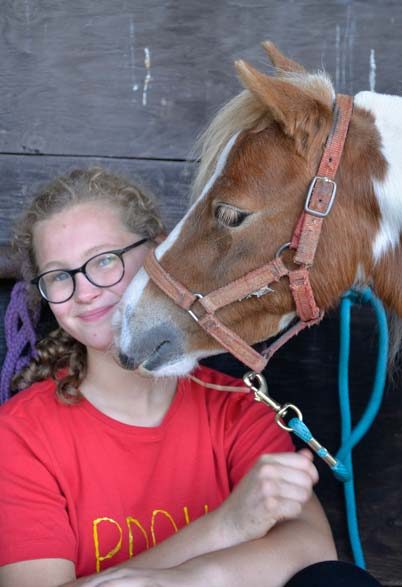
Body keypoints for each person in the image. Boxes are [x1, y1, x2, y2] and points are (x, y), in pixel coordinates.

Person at [0, 168, 381, 587]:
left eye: (105, 260)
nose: (84, 291)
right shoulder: (21, 434)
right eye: (58, 275)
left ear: (160, 253)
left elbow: (311, 546)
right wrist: (226, 527)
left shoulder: (235, 407)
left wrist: (186, 579)